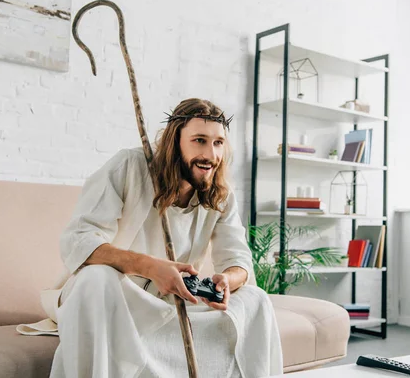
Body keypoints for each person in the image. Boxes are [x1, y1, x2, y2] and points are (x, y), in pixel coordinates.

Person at [47, 98, 283, 378]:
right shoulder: (130, 166)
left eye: (218, 143)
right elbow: (79, 240)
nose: (210, 154)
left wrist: (227, 280)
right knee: (97, 278)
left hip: (170, 303)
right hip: (115, 299)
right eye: (199, 140)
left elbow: (238, 259)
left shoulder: (221, 193)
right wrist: (151, 268)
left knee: (255, 299)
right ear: (175, 141)